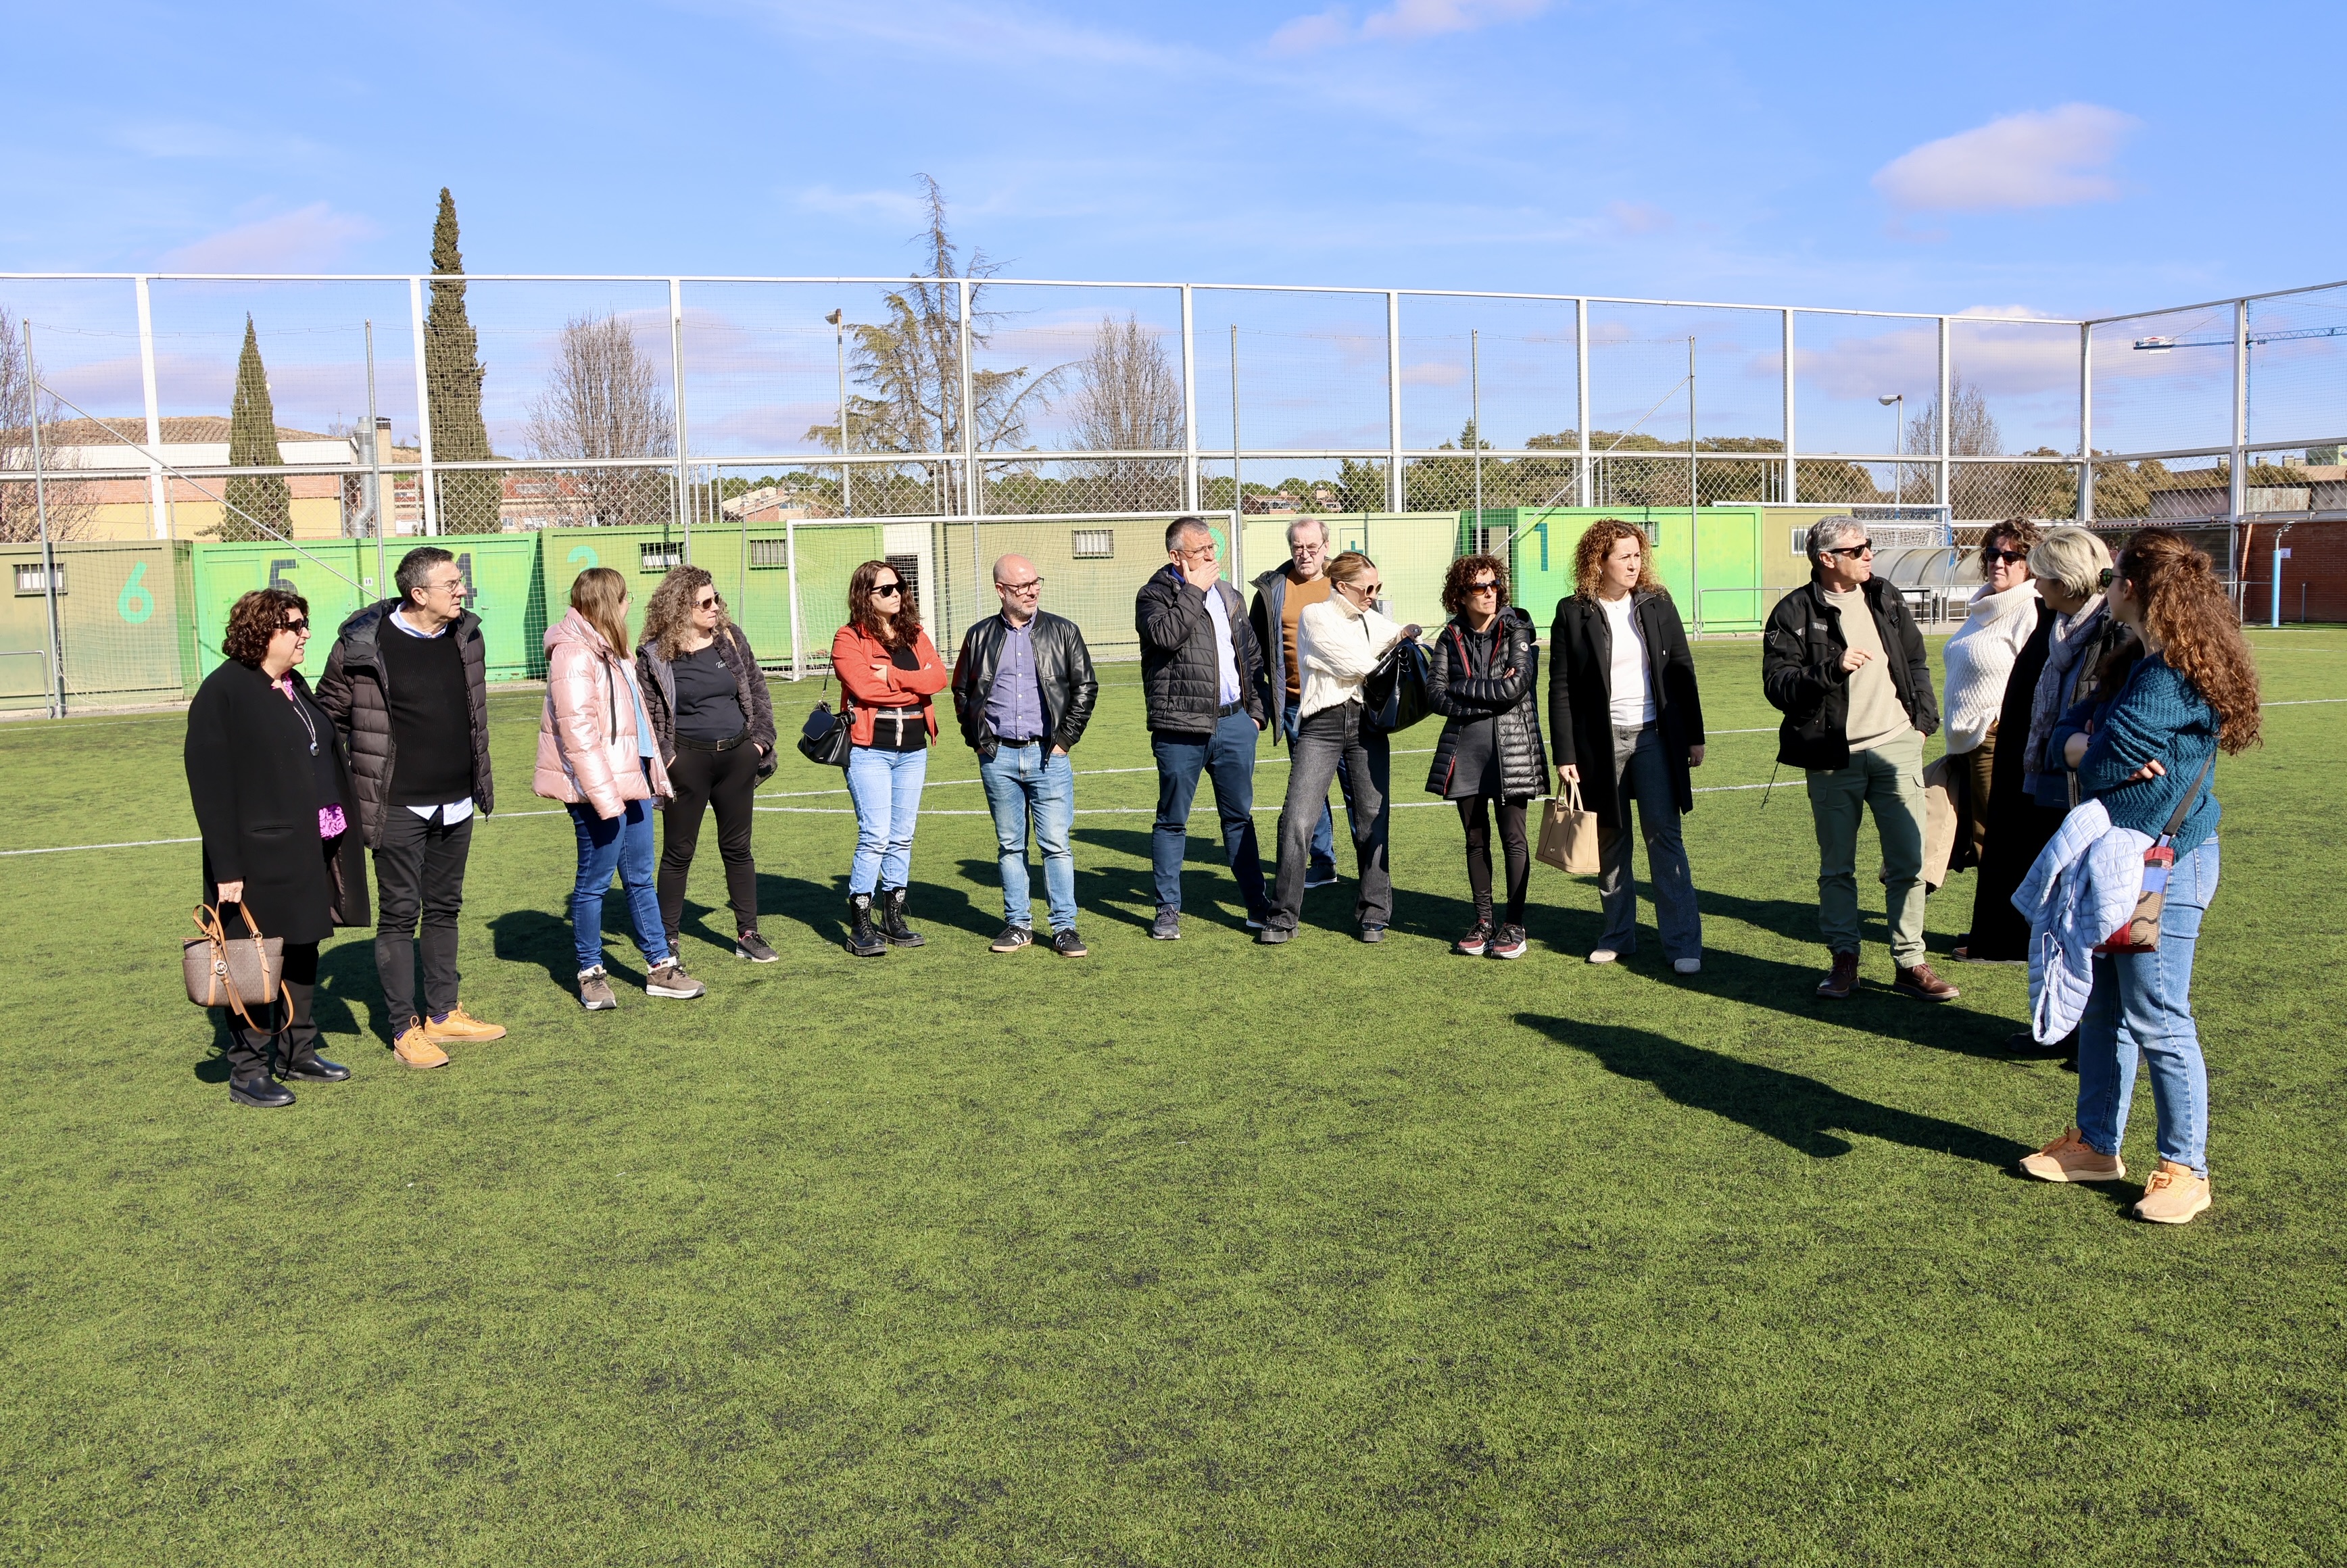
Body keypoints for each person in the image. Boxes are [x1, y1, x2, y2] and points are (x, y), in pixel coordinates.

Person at [2018, 529, 2260, 1225]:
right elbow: (2077, 734)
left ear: (2134, 588)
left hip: (2165, 865)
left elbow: (2094, 763)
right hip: (2126, 857)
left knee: (2157, 1013)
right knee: (2101, 1004)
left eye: (2115, 574)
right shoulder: (2136, 659)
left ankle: (2187, 1168)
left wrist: (2090, 748)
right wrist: (2086, 741)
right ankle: (2095, 1144)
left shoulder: (2168, 673)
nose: (2106, 584)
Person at [318, 545, 503, 1071]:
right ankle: (404, 1028)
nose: (462, 590)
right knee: (400, 915)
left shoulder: (467, 635)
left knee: (445, 908)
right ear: (419, 594)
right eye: (452, 584)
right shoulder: (360, 644)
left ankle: (444, 1012)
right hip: (396, 807)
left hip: (459, 801)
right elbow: (331, 716)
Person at [185, 589, 369, 1106]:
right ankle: (246, 1070)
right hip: (254, 857)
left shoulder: (290, 684)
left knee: (303, 945)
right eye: (296, 625)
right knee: (250, 960)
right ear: (264, 632)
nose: (306, 632)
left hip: (305, 849)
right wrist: (227, 867)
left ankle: (298, 1051)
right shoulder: (224, 692)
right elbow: (211, 786)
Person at [1762, 517, 1955, 1002]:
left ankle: (1910, 962)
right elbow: (1778, 686)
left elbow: (1915, 661)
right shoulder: (1793, 611)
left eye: (1869, 546)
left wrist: (1922, 722)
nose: (1870, 554)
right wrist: (1830, 669)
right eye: (1859, 548)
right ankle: (1844, 959)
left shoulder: (1886, 596)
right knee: (1837, 867)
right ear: (1828, 559)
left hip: (1896, 746)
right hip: (1831, 755)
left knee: (1909, 861)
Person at [535, 568, 705, 1008]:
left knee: (640, 880)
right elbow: (579, 736)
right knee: (593, 885)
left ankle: (660, 967)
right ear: (612, 603)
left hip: (633, 782)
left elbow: (637, 723)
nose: (631, 605)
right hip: (600, 791)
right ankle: (591, 973)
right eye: (626, 598)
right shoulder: (573, 655)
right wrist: (606, 798)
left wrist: (652, 778)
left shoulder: (619, 651)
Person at [1549, 520, 1708, 974]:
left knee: (1665, 837)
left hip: (1654, 736)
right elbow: (1560, 687)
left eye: (1638, 555)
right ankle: (1617, 935)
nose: (1634, 564)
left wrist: (1693, 736)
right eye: (1624, 556)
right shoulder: (1572, 611)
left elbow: (1681, 669)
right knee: (1611, 840)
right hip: (1599, 743)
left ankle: (1682, 945)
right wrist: (1565, 754)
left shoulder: (1658, 604)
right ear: (1598, 561)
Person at [1260, 550, 1413, 944]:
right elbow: (1357, 664)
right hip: (1322, 726)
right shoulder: (1315, 615)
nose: (1374, 594)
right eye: (1368, 587)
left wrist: (1405, 637)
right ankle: (1282, 915)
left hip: (1367, 727)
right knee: (1297, 819)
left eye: (1378, 587)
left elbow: (1401, 638)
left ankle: (1374, 913)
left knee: (1372, 821)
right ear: (1342, 586)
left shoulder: (1371, 619)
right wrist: (1391, 649)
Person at [950, 554, 1100, 957]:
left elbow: (1086, 687)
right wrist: (979, 740)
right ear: (1001, 590)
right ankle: (1018, 925)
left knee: (1056, 844)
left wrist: (1064, 740)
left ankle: (1065, 928)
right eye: (1021, 586)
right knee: (1010, 845)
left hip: (1048, 755)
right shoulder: (979, 634)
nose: (1031, 591)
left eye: (1036, 582)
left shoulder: (1063, 631)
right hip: (998, 757)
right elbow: (962, 691)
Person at [635, 566, 779, 964]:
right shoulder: (655, 654)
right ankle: (667, 938)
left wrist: (760, 743)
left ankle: (748, 933)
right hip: (687, 764)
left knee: (739, 849)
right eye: (705, 602)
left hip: (738, 759)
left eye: (717, 599)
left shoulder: (730, 640)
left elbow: (758, 691)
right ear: (681, 606)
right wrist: (670, 759)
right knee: (678, 852)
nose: (715, 607)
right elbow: (646, 716)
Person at [1137, 517, 1272, 941]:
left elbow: (1250, 656)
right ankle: (1168, 910)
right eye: (1201, 552)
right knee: (1173, 821)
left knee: (1239, 819)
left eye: (1214, 549)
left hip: (1234, 725)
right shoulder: (1153, 595)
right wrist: (1195, 589)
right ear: (1176, 557)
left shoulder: (1230, 594)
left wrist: (1255, 714)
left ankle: (1257, 905)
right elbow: (1166, 636)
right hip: (1180, 728)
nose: (1212, 558)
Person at [1424, 554, 1546, 959]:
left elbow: (1517, 688)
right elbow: (1435, 695)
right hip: (1466, 750)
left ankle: (1514, 924)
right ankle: (1483, 921)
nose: (1490, 593)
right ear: (1460, 595)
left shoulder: (1517, 629)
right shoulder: (1449, 636)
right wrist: (1485, 694)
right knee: (1475, 838)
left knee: (1514, 837)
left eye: (1494, 585)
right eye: (1480, 587)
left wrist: (1465, 688)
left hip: (1511, 748)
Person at [833, 559, 950, 958]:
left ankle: (893, 917)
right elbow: (865, 689)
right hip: (869, 752)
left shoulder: (914, 634)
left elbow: (938, 679)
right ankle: (861, 922)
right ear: (865, 595)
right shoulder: (848, 638)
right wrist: (912, 687)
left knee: (902, 836)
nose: (896, 594)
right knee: (876, 836)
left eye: (899, 586)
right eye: (886, 589)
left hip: (913, 750)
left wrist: (895, 677)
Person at [1939, 519, 2046, 949]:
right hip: (1966, 741)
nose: (1998, 563)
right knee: (1975, 838)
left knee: (1994, 841)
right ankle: (1997, 927)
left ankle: (2008, 934)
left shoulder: (2030, 609)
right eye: (1992, 555)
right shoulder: (1983, 605)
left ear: (2030, 564)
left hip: (1996, 738)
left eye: (2011, 556)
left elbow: (2035, 678)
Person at [1249, 517, 1343, 890]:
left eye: (1312, 547)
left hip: (1342, 701)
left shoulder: (1344, 581)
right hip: (1294, 704)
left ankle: (1371, 870)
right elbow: (1254, 649)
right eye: (1297, 547)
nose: (1305, 554)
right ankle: (1323, 861)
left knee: (1357, 790)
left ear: (1325, 546)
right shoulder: (1272, 588)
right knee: (1309, 787)